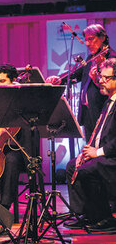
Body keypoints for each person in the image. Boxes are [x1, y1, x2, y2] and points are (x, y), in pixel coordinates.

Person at [64, 58, 116, 232]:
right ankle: (86, 214)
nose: (100, 80)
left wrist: (98, 152)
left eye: (106, 78)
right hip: (106, 154)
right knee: (73, 165)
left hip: (112, 156)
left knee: (88, 169)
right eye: (101, 76)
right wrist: (85, 152)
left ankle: (105, 218)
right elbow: (98, 134)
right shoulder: (108, 102)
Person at [46, 24, 116, 139]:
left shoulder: (112, 60)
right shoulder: (90, 58)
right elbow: (76, 73)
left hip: (101, 111)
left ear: (102, 38)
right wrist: (59, 79)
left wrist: (96, 80)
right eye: (86, 40)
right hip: (88, 112)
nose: (87, 44)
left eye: (91, 39)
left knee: (101, 144)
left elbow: (111, 89)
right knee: (89, 145)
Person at [0, 65, 35, 211]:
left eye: (2, 81)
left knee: (10, 160)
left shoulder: (24, 98)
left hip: (22, 153)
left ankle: (3, 208)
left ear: (14, 81)